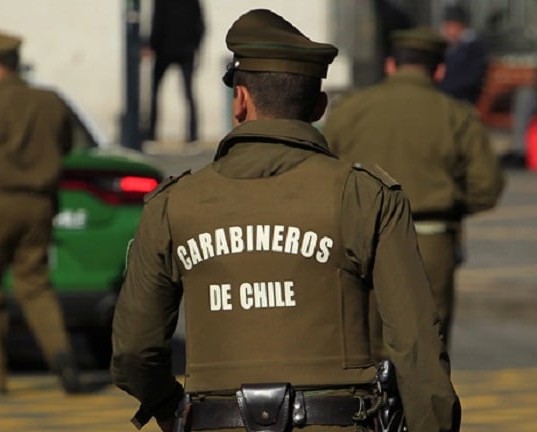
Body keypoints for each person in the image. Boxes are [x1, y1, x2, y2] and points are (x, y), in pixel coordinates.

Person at [112, 9, 461, 432]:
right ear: (318, 105)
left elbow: (133, 351)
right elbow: (417, 347)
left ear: (239, 99)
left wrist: (170, 408)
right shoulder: (363, 195)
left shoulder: (173, 204)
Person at [324, 27, 505, 349]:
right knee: (424, 351)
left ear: (390, 65)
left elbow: (322, 171)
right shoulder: (455, 115)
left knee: (363, 348)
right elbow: (486, 187)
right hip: (430, 240)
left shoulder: (348, 110)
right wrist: (451, 202)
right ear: (439, 70)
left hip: (361, 241)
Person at [0, 25, 81, 395]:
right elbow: (67, 144)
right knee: (36, 284)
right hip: (41, 204)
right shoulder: (50, 101)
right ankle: (61, 355)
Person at [145, 0, 205, 143]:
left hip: (164, 50)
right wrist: (195, 48)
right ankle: (193, 134)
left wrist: (152, 45)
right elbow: (200, 26)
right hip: (185, 50)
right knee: (188, 93)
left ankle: (152, 134)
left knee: (155, 92)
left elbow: (157, 22)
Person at [438, 4, 489, 104]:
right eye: (446, 26)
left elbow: (469, 80)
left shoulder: (473, 47)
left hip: (463, 98)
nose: (446, 31)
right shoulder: (449, 47)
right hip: (449, 95)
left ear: (461, 26)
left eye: (450, 26)